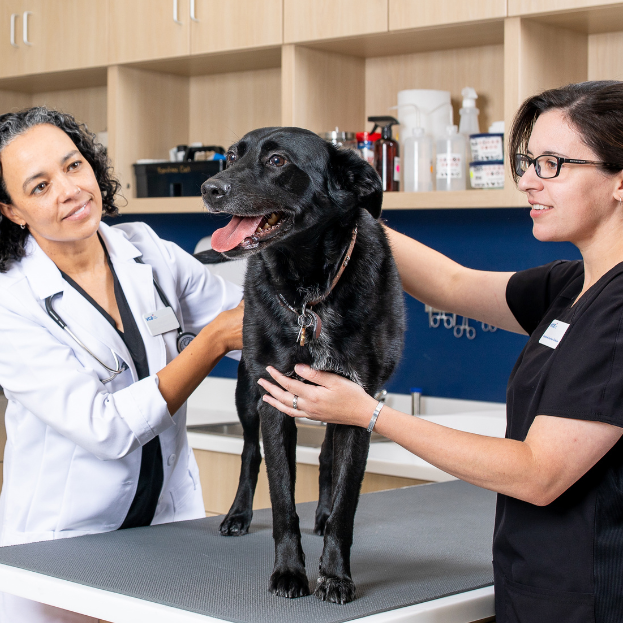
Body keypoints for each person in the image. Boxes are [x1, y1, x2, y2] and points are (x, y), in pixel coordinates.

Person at [260, 80, 623, 623]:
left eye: (552, 164)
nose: (527, 181)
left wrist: (370, 413)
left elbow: (538, 473)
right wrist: (333, 210)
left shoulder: (618, 314)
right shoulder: (573, 286)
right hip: (540, 585)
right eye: (527, 162)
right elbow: (453, 284)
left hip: (591, 599)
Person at [0, 107, 243, 622]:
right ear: (12, 211)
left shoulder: (146, 250)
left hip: (167, 535)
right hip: (61, 551)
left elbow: (245, 320)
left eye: (73, 166)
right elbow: (105, 428)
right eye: (39, 187)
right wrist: (214, 342)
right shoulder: (11, 304)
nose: (69, 190)